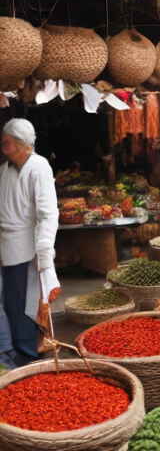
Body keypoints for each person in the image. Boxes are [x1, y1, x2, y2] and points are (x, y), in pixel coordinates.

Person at [0, 119, 60, 367]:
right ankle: (13, 348)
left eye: (8, 142)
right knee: (10, 299)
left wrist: (45, 249)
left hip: (25, 245)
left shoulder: (39, 166)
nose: (3, 146)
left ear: (24, 144)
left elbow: (48, 213)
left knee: (23, 300)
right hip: (6, 243)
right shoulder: (4, 170)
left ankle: (24, 352)